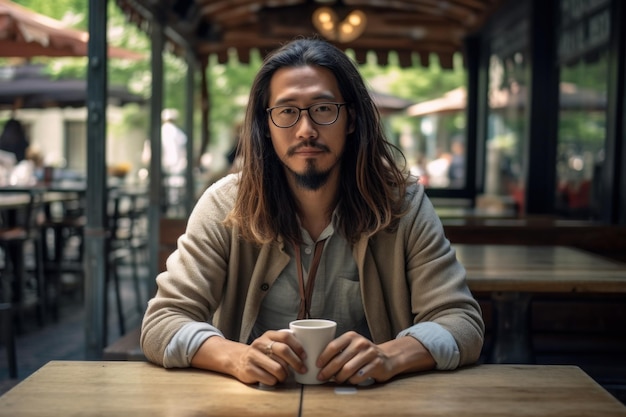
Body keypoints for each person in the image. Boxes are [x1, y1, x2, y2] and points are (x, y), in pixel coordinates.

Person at [141, 37, 484, 387]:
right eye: (287, 111)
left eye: (323, 109)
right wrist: (236, 356)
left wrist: (391, 355)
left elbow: (461, 322)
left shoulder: (402, 205)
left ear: (350, 118)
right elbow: (162, 322)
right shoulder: (226, 205)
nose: (306, 130)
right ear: (267, 126)